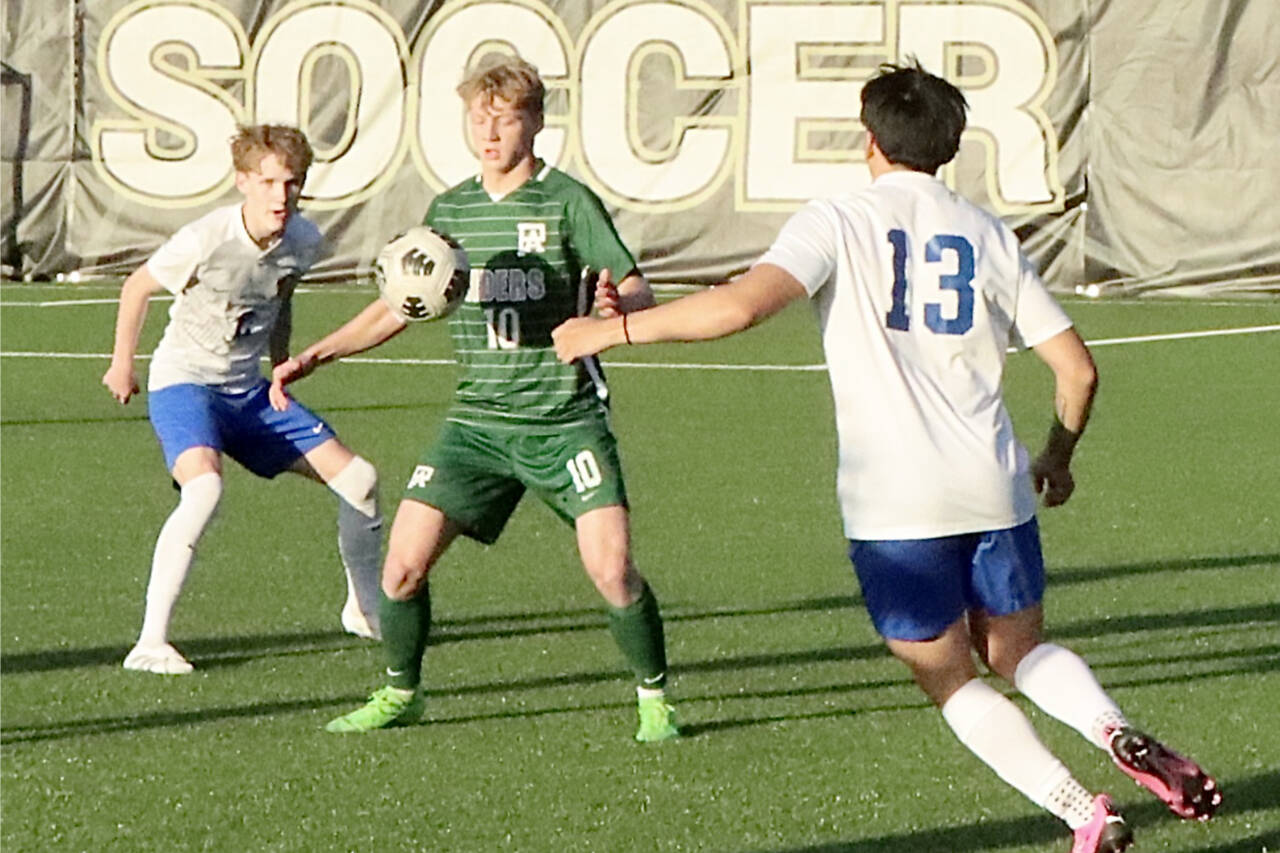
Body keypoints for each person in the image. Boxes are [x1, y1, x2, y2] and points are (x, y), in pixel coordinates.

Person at [552, 62, 1221, 852]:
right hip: (995, 484)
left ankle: (1083, 811)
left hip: (897, 503)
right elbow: (1078, 370)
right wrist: (1058, 455)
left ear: (868, 140)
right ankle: (1113, 729)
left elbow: (736, 306)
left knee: (951, 677)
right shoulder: (988, 232)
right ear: (949, 147)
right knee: (1020, 648)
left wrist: (609, 331)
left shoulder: (838, 220)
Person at [270, 56, 679, 742]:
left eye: (505, 117)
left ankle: (655, 697)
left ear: (537, 123)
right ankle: (402, 691)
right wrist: (317, 353)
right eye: (478, 118)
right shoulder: (450, 210)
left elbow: (635, 289)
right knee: (401, 568)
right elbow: (399, 305)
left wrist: (614, 307)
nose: (489, 131)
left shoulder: (566, 201)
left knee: (612, 571)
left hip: (562, 419)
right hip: (476, 424)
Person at [103, 124, 384, 675]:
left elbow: (282, 296)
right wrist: (122, 363)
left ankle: (364, 608)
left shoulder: (303, 240)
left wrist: (280, 366)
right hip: (186, 383)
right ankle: (150, 643)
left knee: (362, 481)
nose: (281, 195)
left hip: (250, 393)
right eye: (269, 181)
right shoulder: (205, 238)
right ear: (242, 182)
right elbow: (137, 286)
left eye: (292, 183)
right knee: (204, 488)